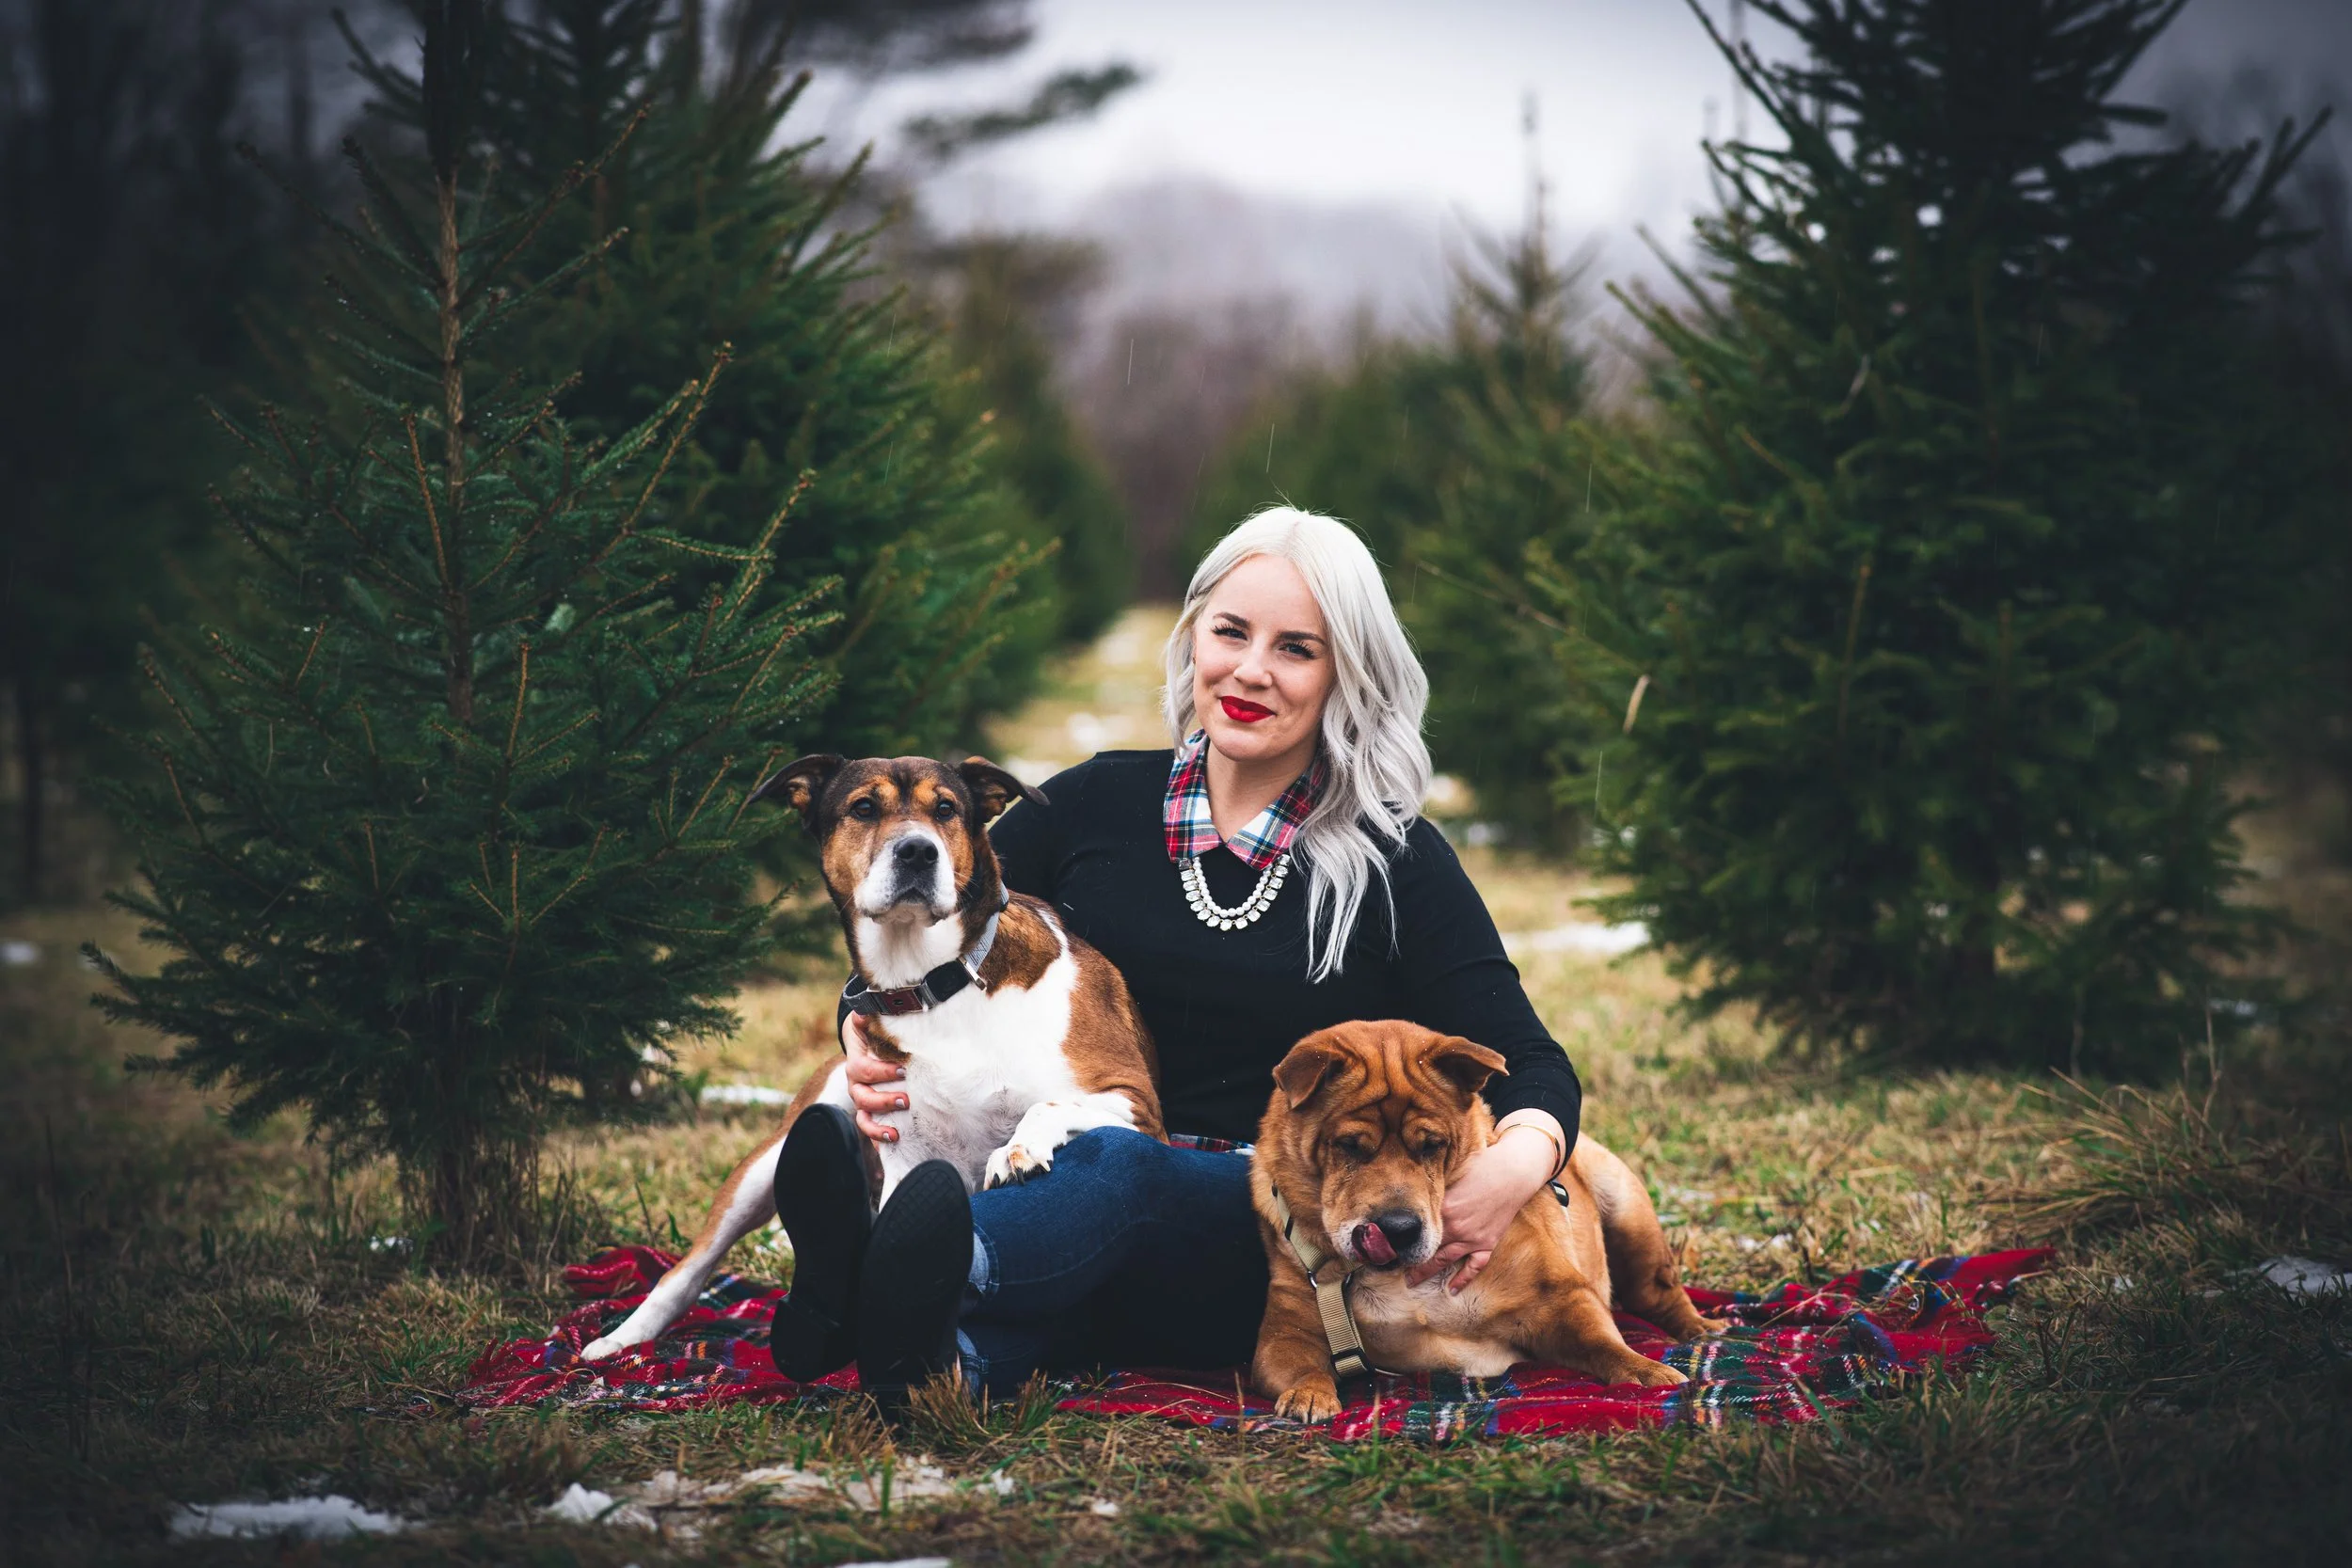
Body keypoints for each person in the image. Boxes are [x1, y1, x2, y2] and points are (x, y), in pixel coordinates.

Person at [779, 506, 1585, 1413]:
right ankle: (929, 1352)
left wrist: (1512, 1169)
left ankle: (905, 1269)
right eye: (1231, 631)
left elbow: (1534, 1061)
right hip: (1065, 1230)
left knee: (1116, 1163)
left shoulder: (1395, 859)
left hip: (1274, 1240)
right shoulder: (1092, 804)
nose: (1251, 669)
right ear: (1193, 635)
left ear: (1346, 674)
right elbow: (927, 917)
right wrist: (860, 1025)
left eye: (1296, 648)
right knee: (1027, 1282)